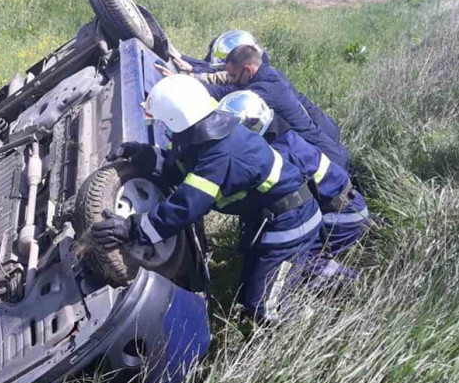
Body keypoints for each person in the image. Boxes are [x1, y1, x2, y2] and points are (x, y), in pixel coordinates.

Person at [90, 74, 322, 324]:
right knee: (249, 284)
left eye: (163, 123)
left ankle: (311, 319)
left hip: (292, 222)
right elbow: (178, 167)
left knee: (262, 308)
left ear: (177, 121)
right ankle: (311, 268)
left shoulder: (220, 156)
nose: (164, 130)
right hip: (269, 216)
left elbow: (186, 205)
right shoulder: (206, 134)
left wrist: (132, 228)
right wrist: (144, 155)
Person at [216, 91, 370, 255]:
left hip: (342, 217)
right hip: (345, 207)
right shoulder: (283, 137)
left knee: (286, 258)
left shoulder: (281, 155)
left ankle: (335, 274)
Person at [165, 30, 345, 156]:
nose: (232, 79)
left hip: (326, 156)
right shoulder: (268, 75)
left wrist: (183, 82)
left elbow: (225, 92)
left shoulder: (265, 91)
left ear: (248, 71)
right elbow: (225, 79)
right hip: (328, 142)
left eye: (235, 75)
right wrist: (189, 64)